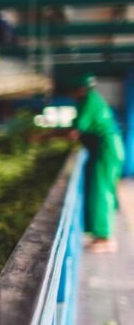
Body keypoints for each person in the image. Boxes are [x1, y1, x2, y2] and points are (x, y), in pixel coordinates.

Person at [62, 74, 125, 252]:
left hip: (106, 150)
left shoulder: (89, 101)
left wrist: (42, 137)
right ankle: (101, 234)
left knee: (101, 191)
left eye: (73, 90)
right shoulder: (89, 101)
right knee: (102, 189)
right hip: (105, 149)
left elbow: (74, 132)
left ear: (80, 89)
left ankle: (105, 237)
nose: (71, 94)